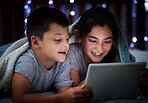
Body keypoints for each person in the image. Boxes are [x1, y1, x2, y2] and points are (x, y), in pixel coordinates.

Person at [12, 7, 93, 103]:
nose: (66, 45)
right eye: (58, 39)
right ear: (36, 42)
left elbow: (66, 93)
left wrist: (86, 83)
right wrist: (60, 98)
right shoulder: (27, 61)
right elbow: (19, 98)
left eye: (67, 39)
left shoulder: (61, 61)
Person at [67, 7, 148, 102]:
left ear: (114, 40)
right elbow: (73, 93)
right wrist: (101, 78)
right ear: (78, 36)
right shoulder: (72, 53)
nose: (100, 48)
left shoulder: (116, 55)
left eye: (107, 41)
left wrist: (141, 85)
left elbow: (127, 90)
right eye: (93, 40)